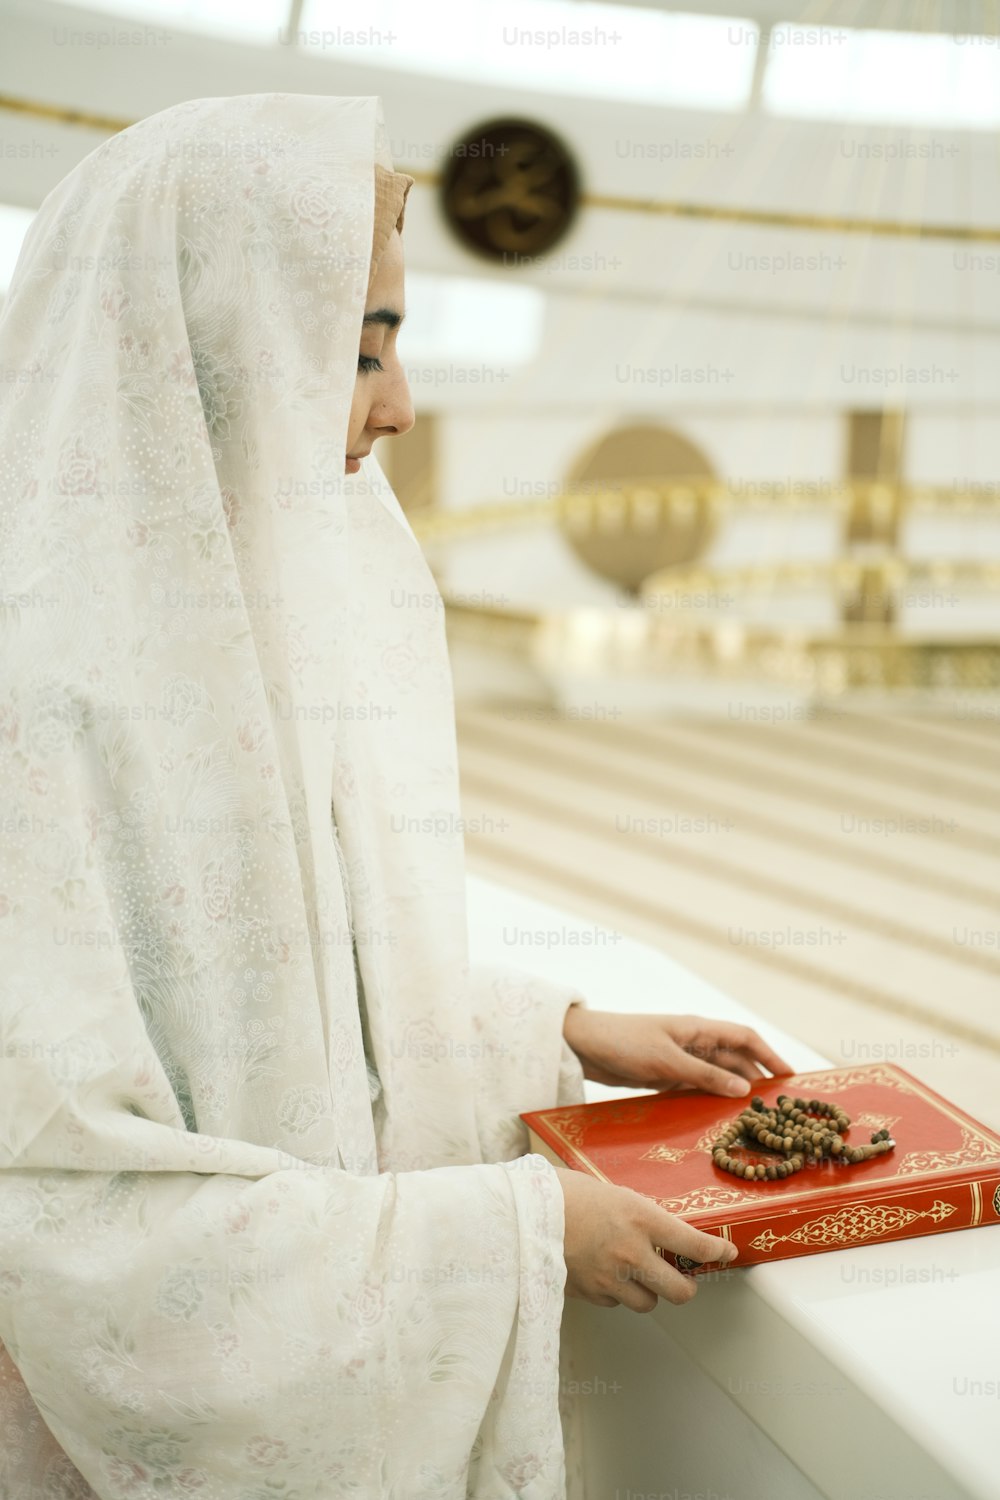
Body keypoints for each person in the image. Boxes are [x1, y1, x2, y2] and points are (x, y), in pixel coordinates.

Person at [0, 93, 791, 1499]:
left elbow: (280, 1000)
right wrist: (518, 1233)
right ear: (208, 342)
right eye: (358, 348)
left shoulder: (269, 608)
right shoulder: (40, 704)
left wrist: (555, 1032)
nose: (402, 406)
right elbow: (72, 1208)